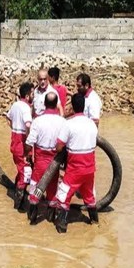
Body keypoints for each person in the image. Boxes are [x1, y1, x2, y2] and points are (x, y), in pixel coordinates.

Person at [53, 93, 99, 233]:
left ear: (72, 107)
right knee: (89, 196)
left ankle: (61, 227)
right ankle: (95, 223)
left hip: (75, 169)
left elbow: (59, 147)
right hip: (90, 167)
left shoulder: (69, 124)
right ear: (84, 107)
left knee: (63, 196)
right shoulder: (92, 124)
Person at [25, 92, 65, 224]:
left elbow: (29, 143)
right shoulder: (63, 122)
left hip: (41, 160)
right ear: (56, 104)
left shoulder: (37, 121)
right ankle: (51, 216)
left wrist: (27, 156)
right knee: (53, 187)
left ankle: (33, 214)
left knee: (35, 185)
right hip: (55, 161)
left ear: (44, 104)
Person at [6, 82, 34, 208]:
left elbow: (8, 118)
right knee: (25, 174)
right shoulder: (26, 108)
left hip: (14, 142)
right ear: (27, 96)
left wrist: (14, 128)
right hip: (22, 144)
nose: (34, 96)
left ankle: (15, 190)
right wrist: (28, 141)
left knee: (21, 168)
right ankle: (18, 204)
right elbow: (28, 125)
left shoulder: (15, 105)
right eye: (32, 94)